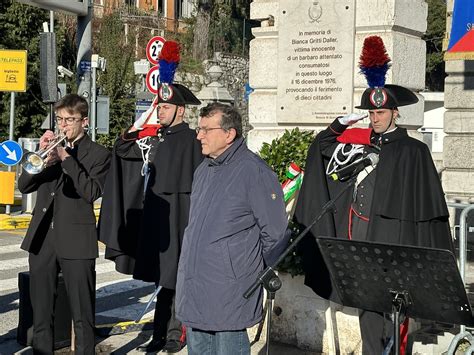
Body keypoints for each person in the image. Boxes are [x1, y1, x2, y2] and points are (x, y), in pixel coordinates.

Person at [294, 36, 454, 354]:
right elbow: (321, 150)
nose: (375, 117)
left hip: (395, 243)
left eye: (381, 112)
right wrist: (336, 127)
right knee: (368, 313)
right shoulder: (361, 144)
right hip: (362, 239)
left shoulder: (415, 151)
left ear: (395, 113)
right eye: (371, 112)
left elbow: (427, 213)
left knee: (395, 320)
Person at [98, 41, 203, 353]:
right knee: (162, 279)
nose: (161, 111)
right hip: (157, 219)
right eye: (159, 106)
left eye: (166, 107)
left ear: (181, 110)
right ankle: (160, 332)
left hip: (181, 218)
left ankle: (175, 333)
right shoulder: (155, 137)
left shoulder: (194, 141)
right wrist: (141, 123)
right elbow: (121, 149)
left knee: (177, 279)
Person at [175, 102, 290, 355]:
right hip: (196, 285)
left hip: (230, 289)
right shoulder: (203, 169)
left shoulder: (254, 171)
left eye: (206, 129)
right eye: (199, 128)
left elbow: (276, 234)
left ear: (229, 134)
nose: (199, 135)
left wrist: (245, 271)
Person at [18, 94, 111, 354]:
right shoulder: (48, 151)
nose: (64, 125)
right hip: (42, 240)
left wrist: (67, 159)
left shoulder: (99, 154)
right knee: (41, 314)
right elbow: (24, 186)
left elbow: (91, 191)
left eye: (70, 120)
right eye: (60, 119)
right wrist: (39, 153)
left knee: (82, 315)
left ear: (84, 121)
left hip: (77, 241)